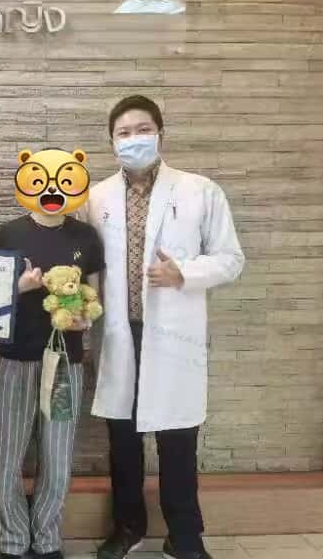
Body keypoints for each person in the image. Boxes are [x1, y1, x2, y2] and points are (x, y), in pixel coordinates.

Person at [87, 96, 245, 559]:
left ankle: (184, 535)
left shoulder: (200, 191)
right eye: (124, 133)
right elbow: (88, 265)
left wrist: (184, 273)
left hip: (174, 334)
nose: (133, 139)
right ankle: (128, 526)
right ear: (112, 141)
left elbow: (231, 259)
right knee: (123, 437)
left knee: (178, 437)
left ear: (160, 134)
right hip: (119, 333)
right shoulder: (95, 198)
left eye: (143, 129)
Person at [0, 148, 105, 559]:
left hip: (66, 363)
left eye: (63, 181)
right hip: (14, 359)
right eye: (42, 181)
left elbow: (92, 298)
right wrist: (19, 286)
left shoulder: (86, 236)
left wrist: (84, 321)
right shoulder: (8, 233)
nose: (52, 190)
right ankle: (12, 541)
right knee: (8, 455)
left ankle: (48, 540)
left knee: (58, 456)